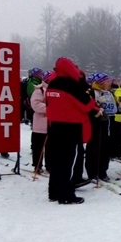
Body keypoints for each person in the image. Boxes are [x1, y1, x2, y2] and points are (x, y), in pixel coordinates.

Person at [46, 57, 101, 205]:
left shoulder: (52, 84)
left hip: (55, 126)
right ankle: (66, 194)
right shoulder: (72, 85)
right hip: (71, 128)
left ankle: (54, 191)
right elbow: (86, 105)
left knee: (57, 162)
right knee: (67, 162)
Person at [85, 72, 115, 181]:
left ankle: (102, 171)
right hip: (94, 124)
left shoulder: (109, 93)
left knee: (105, 147)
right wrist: (97, 105)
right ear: (101, 82)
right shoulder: (91, 92)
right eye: (107, 81)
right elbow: (87, 107)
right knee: (93, 148)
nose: (109, 83)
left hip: (106, 123)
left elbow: (113, 108)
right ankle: (92, 172)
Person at [30, 70, 54, 173]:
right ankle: (37, 165)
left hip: (52, 123)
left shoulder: (55, 90)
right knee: (38, 146)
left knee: (50, 147)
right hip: (40, 124)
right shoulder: (39, 90)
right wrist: (51, 108)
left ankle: (50, 165)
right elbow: (35, 105)